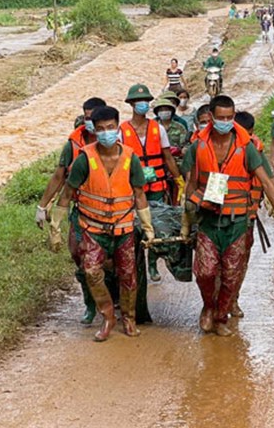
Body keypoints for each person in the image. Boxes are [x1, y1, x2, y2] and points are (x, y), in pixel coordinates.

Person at [181, 95, 274, 336]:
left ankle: (221, 317)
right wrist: (187, 219)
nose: (226, 122)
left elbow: (266, 181)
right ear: (211, 117)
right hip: (208, 219)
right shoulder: (198, 146)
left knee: (231, 274)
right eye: (221, 118)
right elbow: (191, 183)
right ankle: (208, 307)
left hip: (237, 221)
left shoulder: (245, 147)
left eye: (230, 118)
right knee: (205, 271)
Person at [54, 106, 156, 341]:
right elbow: (67, 193)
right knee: (91, 271)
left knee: (128, 275)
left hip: (123, 227)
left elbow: (139, 194)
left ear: (118, 127)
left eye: (110, 128)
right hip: (93, 228)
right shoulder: (84, 160)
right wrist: (55, 226)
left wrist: (147, 227)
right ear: (95, 131)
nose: (106, 133)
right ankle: (108, 315)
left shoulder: (130, 158)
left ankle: (129, 318)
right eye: (100, 129)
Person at [35, 97, 105, 325]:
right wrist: (42, 206)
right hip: (82, 209)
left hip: (112, 210)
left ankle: (115, 303)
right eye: (87, 117)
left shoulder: (116, 141)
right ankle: (90, 304)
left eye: (93, 117)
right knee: (79, 255)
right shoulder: (73, 145)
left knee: (112, 259)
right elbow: (59, 176)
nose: (90, 122)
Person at [231, 111, 274, 318]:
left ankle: (231, 300)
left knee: (239, 262)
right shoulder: (217, 148)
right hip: (220, 216)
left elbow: (268, 181)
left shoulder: (254, 150)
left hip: (245, 217)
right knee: (224, 263)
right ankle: (221, 302)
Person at [120, 83, 183, 205]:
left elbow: (168, 157)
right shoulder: (122, 131)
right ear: (131, 103)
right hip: (133, 185)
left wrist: (179, 180)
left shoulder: (158, 128)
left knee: (158, 214)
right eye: (139, 100)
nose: (143, 103)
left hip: (157, 186)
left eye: (145, 100)